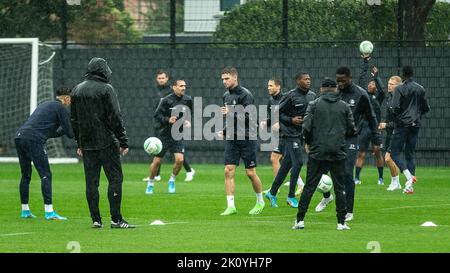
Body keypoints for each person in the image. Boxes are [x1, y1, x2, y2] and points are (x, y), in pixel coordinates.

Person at [71, 57, 134, 229]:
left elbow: (74, 119)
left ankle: (96, 220)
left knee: (91, 182)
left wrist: (79, 143)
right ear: (103, 70)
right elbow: (115, 116)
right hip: (106, 141)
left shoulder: (77, 89)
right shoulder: (106, 89)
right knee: (115, 178)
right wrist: (123, 140)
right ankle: (116, 219)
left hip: (87, 144)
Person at [315, 66, 378, 222]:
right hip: (330, 138)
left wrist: (377, 139)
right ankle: (327, 196)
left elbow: (371, 117)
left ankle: (348, 210)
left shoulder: (361, 95)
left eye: (343, 80)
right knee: (317, 171)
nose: (340, 83)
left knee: (347, 174)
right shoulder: (334, 93)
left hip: (350, 139)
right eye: (338, 81)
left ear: (350, 78)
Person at [293, 78, 356, 231]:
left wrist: (308, 143)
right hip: (338, 152)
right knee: (339, 188)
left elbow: (306, 127)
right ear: (335, 89)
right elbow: (352, 129)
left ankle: (300, 220)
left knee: (309, 187)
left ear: (321, 89)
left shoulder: (314, 105)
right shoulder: (344, 106)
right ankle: (341, 222)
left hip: (317, 152)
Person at [15, 87, 73, 220]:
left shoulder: (46, 105)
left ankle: (25, 211)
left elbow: (50, 132)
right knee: (46, 174)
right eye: (70, 99)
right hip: (33, 140)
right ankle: (49, 212)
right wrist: (74, 126)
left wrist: (64, 129)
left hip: (19, 136)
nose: (70, 102)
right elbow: (70, 133)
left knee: (26, 174)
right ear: (66, 98)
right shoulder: (61, 108)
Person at [218, 67, 265, 216]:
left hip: (247, 137)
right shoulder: (226, 96)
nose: (224, 82)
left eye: (227, 78)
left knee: (250, 173)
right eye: (223, 79)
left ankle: (260, 201)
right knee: (228, 170)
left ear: (235, 77)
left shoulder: (246, 95)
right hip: (232, 138)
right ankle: (231, 206)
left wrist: (231, 112)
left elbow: (250, 118)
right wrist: (225, 131)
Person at [264, 72, 315, 208]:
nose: (308, 81)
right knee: (298, 162)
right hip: (289, 133)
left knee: (286, 164)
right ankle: (291, 196)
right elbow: (277, 113)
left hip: (301, 134)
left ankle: (272, 192)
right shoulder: (290, 96)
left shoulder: (312, 96)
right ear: (298, 81)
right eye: (305, 79)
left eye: (309, 79)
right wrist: (291, 120)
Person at [142, 70, 196, 182]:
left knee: (179, 159)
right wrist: (167, 119)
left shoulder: (188, 99)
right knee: (156, 161)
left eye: (184, 86)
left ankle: (173, 179)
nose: (184, 88)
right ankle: (152, 181)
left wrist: (188, 120)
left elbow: (191, 112)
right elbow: (157, 115)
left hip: (177, 134)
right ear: (174, 87)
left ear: (167, 79)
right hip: (164, 132)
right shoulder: (166, 99)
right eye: (181, 86)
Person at [259, 77, 305, 196]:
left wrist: (280, 124)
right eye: (268, 86)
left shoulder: (286, 98)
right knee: (286, 161)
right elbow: (273, 118)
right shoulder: (271, 101)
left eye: (271, 86)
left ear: (278, 87)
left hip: (288, 134)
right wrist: (266, 122)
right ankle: (298, 185)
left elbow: (291, 117)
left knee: (277, 158)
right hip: (280, 135)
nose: (268, 88)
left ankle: (276, 188)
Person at [390, 65, 430, 194]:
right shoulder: (420, 89)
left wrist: (399, 119)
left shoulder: (399, 89)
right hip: (415, 125)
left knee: (394, 153)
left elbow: (395, 107)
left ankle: (409, 177)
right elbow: (425, 108)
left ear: (402, 75)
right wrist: (416, 117)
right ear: (412, 74)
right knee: (410, 153)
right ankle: (410, 187)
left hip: (402, 125)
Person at [354, 55, 385, 185]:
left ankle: (381, 178)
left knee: (377, 152)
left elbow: (383, 90)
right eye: (370, 83)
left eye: (373, 84)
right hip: (364, 127)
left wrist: (376, 76)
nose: (371, 84)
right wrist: (365, 62)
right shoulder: (364, 96)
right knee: (361, 153)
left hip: (375, 128)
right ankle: (356, 177)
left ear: (375, 87)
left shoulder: (378, 98)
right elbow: (361, 79)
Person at [378, 75, 403, 191]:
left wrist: (386, 125)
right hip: (389, 132)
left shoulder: (400, 100)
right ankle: (395, 183)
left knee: (388, 158)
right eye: (388, 83)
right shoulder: (389, 98)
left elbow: (400, 121)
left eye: (392, 84)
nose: (389, 85)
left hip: (397, 132)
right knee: (389, 158)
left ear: (398, 86)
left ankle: (396, 182)